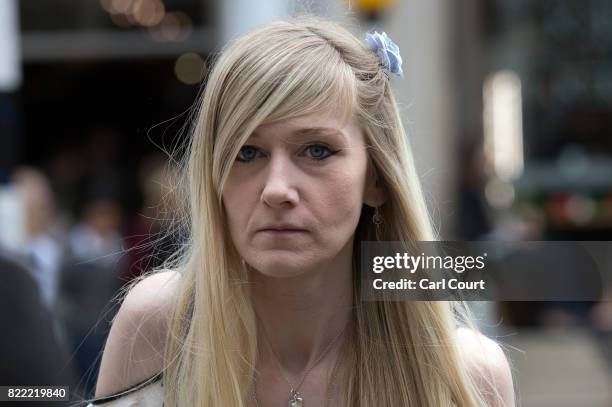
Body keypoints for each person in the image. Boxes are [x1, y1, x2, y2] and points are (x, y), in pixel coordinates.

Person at [91, 16, 514, 407]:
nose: (277, 190)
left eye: (316, 150)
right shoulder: (162, 326)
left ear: (377, 179)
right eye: (246, 152)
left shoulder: (462, 376)